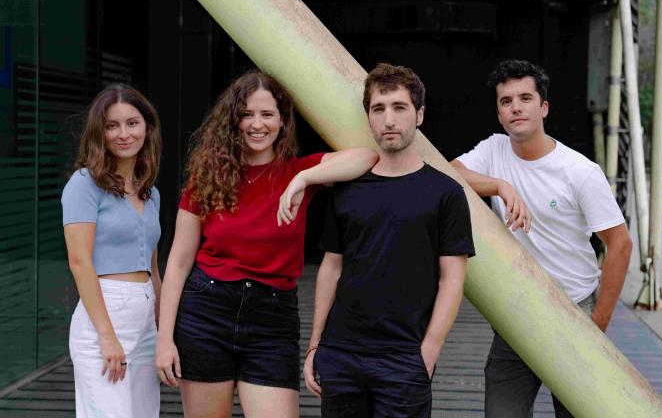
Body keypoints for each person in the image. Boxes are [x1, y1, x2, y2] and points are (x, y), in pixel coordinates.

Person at [155, 69, 378, 418]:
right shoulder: (207, 179)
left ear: (282, 122)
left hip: (272, 321)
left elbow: (368, 157)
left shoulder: (298, 173)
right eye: (246, 114)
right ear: (233, 121)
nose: (256, 124)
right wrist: (164, 339)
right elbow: (179, 262)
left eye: (267, 114)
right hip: (206, 313)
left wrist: (303, 178)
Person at [451, 59, 633, 418]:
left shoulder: (579, 171)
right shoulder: (494, 149)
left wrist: (597, 325)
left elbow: (620, 245)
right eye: (506, 101)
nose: (516, 107)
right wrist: (500, 186)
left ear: (544, 107)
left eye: (525, 98)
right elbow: (450, 174)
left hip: (573, 309)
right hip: (519, 310)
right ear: (500, 114)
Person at [303, 63, 475, 418]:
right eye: (378, 109)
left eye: (399, 107)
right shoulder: (347, 189)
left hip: (405, 358)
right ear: (369, 118)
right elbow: (331, 268)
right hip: (342, 354)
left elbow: (452, 279)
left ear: (420, 115)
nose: (389, 120)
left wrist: (429, 352)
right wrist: (316, 345)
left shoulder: (445, 193)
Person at [62, 84, 163, 417]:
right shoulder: (84, 183)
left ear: (147, 128)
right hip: (103, 320)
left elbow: (153, 268)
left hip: (146, 322)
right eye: (111, 125)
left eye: (132, 123)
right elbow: (79, 262)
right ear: (99, 132)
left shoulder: (151, 192)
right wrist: (106, 336)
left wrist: (163, 331)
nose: (123, 134)